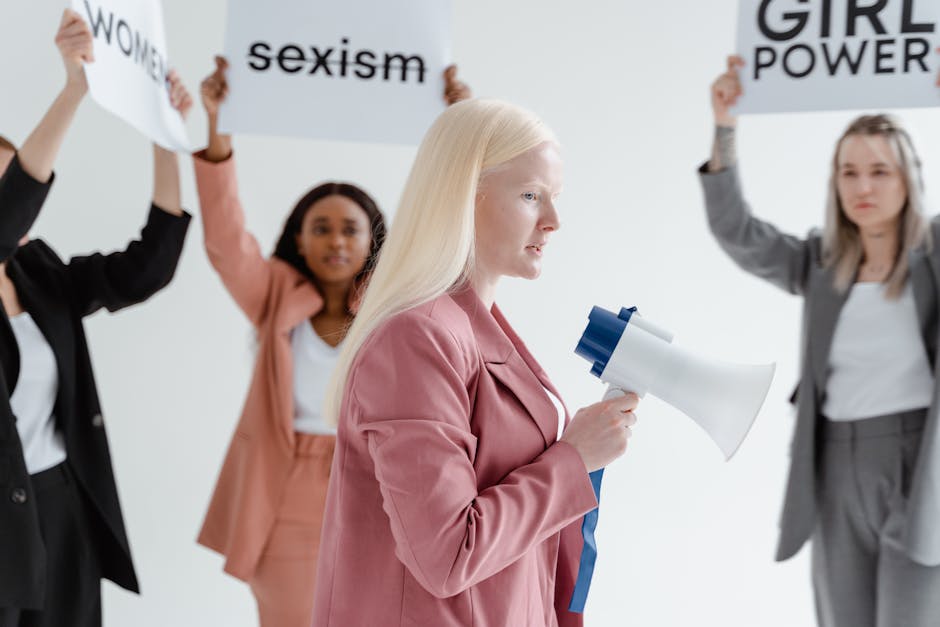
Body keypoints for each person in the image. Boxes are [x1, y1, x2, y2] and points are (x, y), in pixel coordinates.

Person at [312, 98, 639, 627]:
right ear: (464, 195)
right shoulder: (415, 338)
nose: (554, 221)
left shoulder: (467, 324)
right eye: (532, 195)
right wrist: (573, 460)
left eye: (555, 198)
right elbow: (446, 554)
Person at [192, 56, 471, 627]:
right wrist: (218, 126)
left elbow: (455, 240)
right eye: (321, 228)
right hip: (287, 489)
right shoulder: (274, 295)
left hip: (380, 482)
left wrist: (459, 125)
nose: (336, 240)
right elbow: (225, 242)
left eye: (350, 228)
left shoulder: (401, 303)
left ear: (374, 239)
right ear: (299, 238)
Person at [699, 55, 940, 626]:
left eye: (879, 171)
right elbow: (738, 232)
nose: (862, 186)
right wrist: (725, 126)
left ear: (909, 176)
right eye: (848, 171)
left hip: (920, 463)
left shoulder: (934, 254)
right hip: (832, 462)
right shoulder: (820, 261)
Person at [0, 9, 192, 627]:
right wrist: (74, 90)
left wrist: (166, 135)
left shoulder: (39, 271)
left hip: (64, 505)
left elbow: (147, 268)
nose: (13, 189)